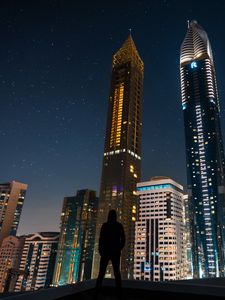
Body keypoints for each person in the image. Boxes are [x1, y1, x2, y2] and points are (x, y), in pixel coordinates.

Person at [95, 209, 125, 299]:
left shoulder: (105, 225)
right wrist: (119, 248)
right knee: (116, 273)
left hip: (106, 251)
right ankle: (119, 293)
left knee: (101, 273)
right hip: (114, 252)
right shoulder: (119, 226)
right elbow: (123, 239)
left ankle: (97, 292)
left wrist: (101, 250)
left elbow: (101, 239)